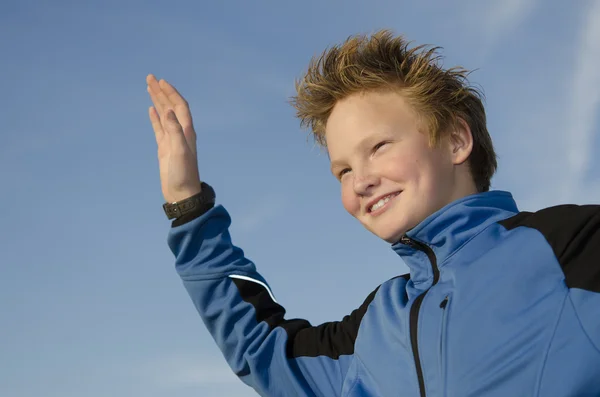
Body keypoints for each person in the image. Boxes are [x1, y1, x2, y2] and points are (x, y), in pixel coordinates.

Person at [146, 30, 600, 397]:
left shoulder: (570, 247)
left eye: (379, 147)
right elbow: (261, 346)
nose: (359, 181)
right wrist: (189, 205)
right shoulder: (373, 328)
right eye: (342, 170)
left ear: (457, 141)